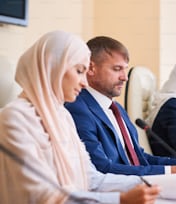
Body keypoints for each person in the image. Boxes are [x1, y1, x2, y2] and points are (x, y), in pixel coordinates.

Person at [0, 30, 160, 204]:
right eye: (79, 71)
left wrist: (156, 184)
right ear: (53, 69)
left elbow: (91, 179)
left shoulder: (62, 117)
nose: (84, 82)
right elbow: (41, 195)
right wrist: (121, 200)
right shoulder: (14, 118)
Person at [65, 36, 176, 176]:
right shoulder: (77, 108)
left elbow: (139, 158)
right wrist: (173, 171)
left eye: (125, 69)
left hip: (137, 184)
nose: (124, 77)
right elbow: (102, 168)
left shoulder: (117, 109)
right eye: (117, 69)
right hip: (115, 192)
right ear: (91, 68)